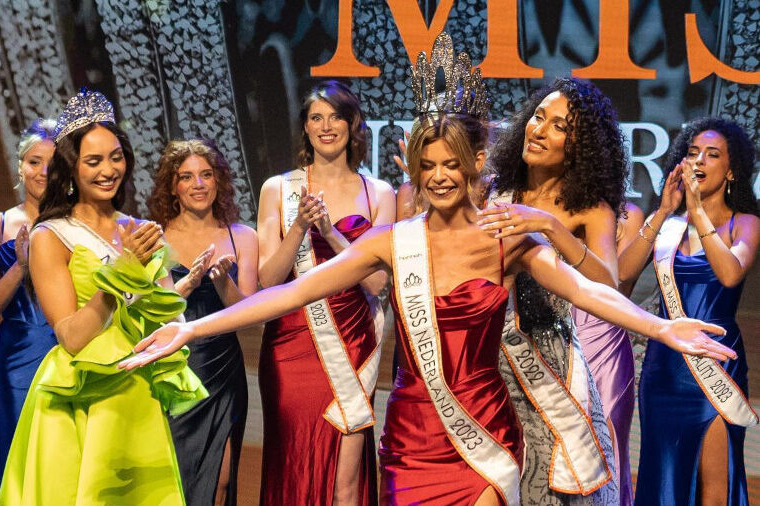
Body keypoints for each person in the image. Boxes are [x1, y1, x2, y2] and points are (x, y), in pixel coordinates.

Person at [121, 34, 734, 506]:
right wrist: (192, 328)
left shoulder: (505, 238)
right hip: (413, 434)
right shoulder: (392, 242)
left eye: (451, 164)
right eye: (427, 166)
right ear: (414, 172)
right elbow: (290, 295)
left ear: (475, 168)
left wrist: (662, 328)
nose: (439, 177)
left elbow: (589, 291)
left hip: (486, 428)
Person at [0, 90, 207, 505]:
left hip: (136, 391)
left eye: (115, 157)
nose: (108, 170)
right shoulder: (50, 235)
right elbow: (72, 337)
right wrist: (123, 272)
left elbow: (168, 321)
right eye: (93, 161)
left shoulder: (140, 230)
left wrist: (170, 307)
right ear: (71, 167)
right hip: (83, 393)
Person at [480, 77, 631, 504]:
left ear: (579, 147)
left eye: (559, 126)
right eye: (538, 117)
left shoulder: (591, 209)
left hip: (551, 365)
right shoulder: (491, 190)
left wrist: (550, 227)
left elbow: (609, 285)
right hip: (486, 358)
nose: (540, 130)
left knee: (548, 482)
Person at [249, 79, 395, 504]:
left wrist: (330, 232)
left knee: (344, 482)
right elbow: (267, 282)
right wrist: (299, 227)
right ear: (306, 127)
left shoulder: (378, 193)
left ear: (353, 125)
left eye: (335, 117)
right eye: (316, 118)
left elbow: (377, 284)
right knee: (293, 460)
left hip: (353, 345)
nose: (326, 127)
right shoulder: (278, 189)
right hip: (291, 345)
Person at [619, 117, 759, 506]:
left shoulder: (745, 223)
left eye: (712, 154)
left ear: (731, 171)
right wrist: (664, 211)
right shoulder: (669, 227)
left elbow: (729, 274)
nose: (698, 160)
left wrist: (698, 212)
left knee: (715, 487)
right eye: (692, 152)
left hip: (715, 365)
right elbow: (623, 276)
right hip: (664, 368)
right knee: (663, 478)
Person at [148, 138, 259, 506]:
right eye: (187, 177)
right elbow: (153, 310)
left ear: (218, 181)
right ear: (172, 187)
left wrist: (222, 282)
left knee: (221, 481)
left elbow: (248, 314)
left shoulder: (242, 237)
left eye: (206, 175)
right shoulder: (154, 236)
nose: (198, 184)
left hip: (222, 369)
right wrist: (188, 283)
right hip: (174, 369)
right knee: (175, 479)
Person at [0, 118, 58, 505]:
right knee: (17, 465)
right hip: (16, 361)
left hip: (69, 354)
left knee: (62, 467)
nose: (43, 172)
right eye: (34, 162)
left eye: (53, 164)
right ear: (20, 165)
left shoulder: (79, 224)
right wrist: (20, 267)